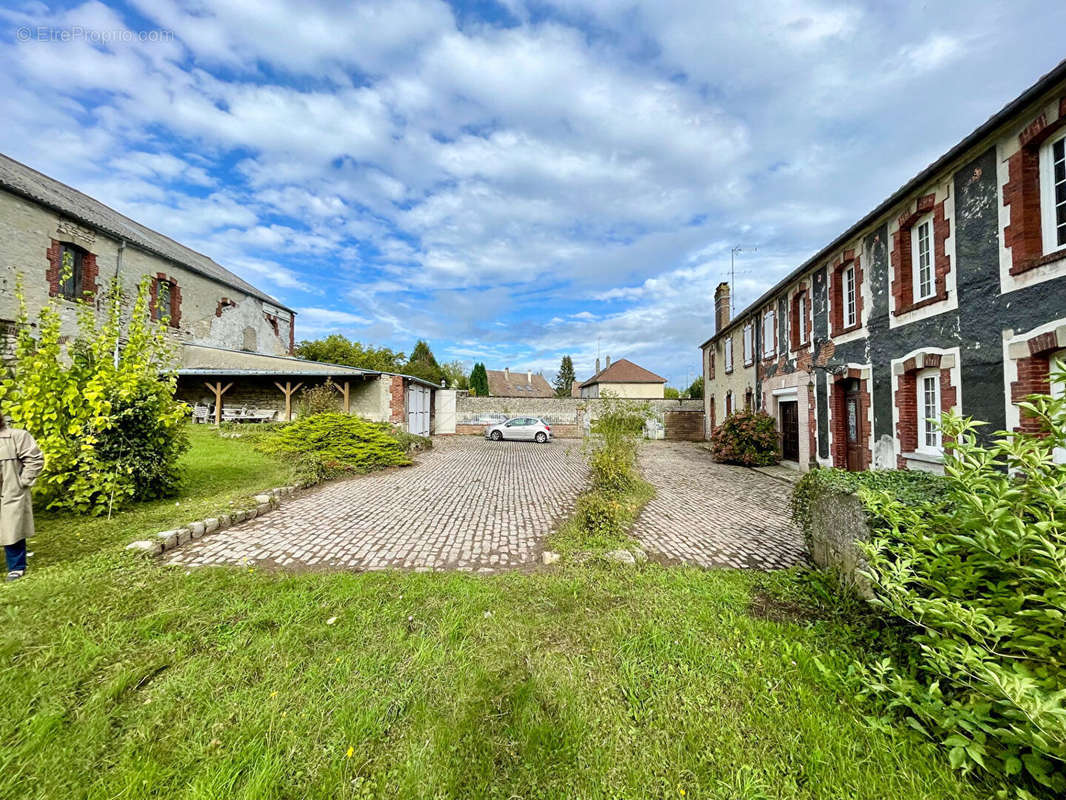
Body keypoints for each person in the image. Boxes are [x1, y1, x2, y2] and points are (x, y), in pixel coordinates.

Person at [1, 415, 45, 582]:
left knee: (12, 527)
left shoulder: (16, 436)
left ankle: (16, 567)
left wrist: (23, 481)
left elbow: (34, 458)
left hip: (10, 490)